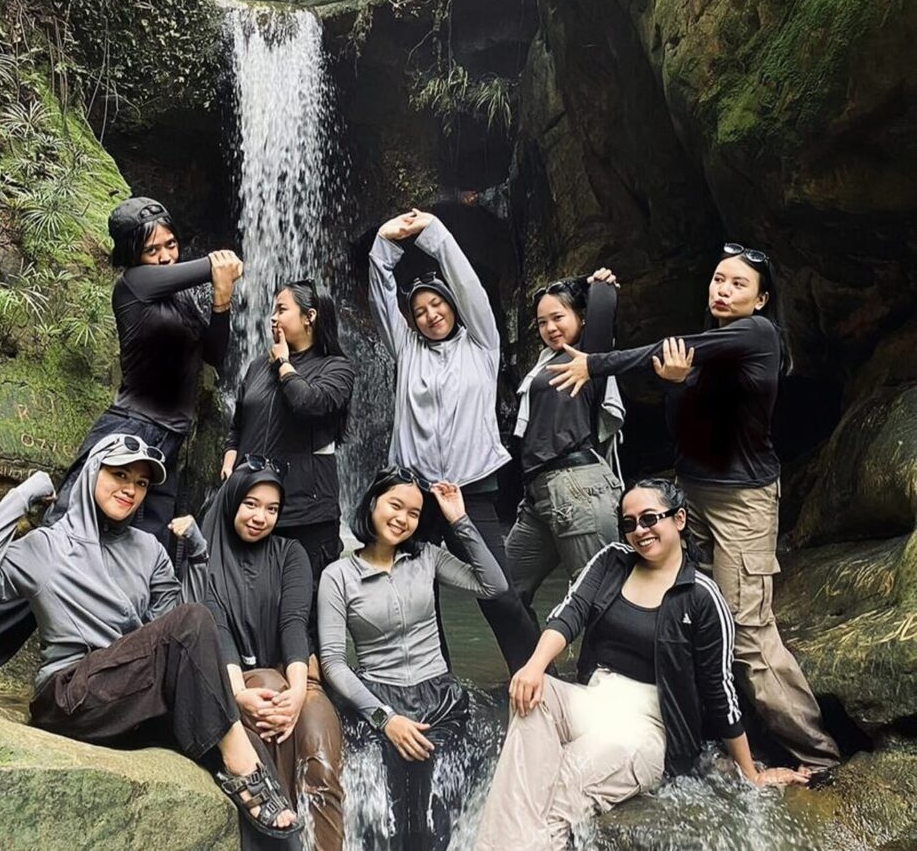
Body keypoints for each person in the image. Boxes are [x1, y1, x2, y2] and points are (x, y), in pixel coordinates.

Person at [0, 195, 243, 705]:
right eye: (152, 249)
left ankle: (127, 690)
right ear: (133, 256)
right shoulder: (133, 286)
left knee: (144, 570)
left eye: (171, 245)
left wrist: (221, 302)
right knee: (53, 557)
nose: (165, 256)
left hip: (165, 454)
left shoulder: (183, 298)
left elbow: (216, 354)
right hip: (125, 437)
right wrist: (218, 264)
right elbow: (197, 268)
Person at [548, 243, 841, 769]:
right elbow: (679, 427)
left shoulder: (758, 334)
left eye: (737, 284)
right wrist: (678, 384)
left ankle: (818, 757)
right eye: (718, 279)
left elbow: (663, 347)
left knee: (746, 633)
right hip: (689, 494)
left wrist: (595, 363)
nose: (722, 290)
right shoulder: (705, 352)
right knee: (684, 615)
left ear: (761, 300)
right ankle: (712, 740)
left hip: (742, 501)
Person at [0, 433, 302, 841]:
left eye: (141, 482)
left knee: (247, 741)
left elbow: (184, 636)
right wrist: (24, 494)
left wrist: (197, 557)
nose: (130, 489)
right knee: (236, 744)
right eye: (120, 474)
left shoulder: (149, 549)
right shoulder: (47, 545)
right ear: (92, 473)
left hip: (133, 697)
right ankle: (244, 766)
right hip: (70, 697)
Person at [476, 478, 810, 851]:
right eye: (629, 523)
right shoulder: (612, 561)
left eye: (650, 518)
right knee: (533, 698)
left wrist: (750, 774)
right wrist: (535, 666)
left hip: (646, 730)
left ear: (679, 519)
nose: (639, 530)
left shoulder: (702, 597)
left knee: (560, 787)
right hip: (593, 701)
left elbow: (720, 690)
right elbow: (570, 613)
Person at [368, 208, 538, 671]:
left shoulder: (482, 344)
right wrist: (384, 243)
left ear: (452, 304)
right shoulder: (406, 349)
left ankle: (538, 680)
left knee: (498, 591)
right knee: (417, 596)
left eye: (437, 305)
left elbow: (469, 286)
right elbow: (381, 296)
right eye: (420, 311)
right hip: (413, 494)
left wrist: (434, 233)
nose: (430, 315)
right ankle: (438, 688)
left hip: (472, 489)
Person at [317, 467, 509, 851]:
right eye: (395, 505)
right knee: (396, 806)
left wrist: (459, 519)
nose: (402, 519)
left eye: (414, 513)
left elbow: (494, 584)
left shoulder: (428, 558)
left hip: (438, 695)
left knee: (433, 804)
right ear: (372, 503)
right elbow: (333, 662)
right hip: (378, 696)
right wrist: (384, 719)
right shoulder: (337, 575)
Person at [188, 460, 344, 851]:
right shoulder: (204, 558)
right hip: (233, 679)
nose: (261, 517)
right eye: (251, 504)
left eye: (272, 509)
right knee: (269, 699)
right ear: (232, 502)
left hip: (294, 675)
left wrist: (298, 693)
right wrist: (238, 694)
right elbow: (217, 628)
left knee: (321, 759)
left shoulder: (291, 553)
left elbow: (294, 623)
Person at [221, 279, 355, 625]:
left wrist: (284, 365)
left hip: (306, 513)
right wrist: (231, 454)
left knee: (304, 610)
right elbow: (239, 422)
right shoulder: (257, 367)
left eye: (281, 309)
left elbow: (309, 403)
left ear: (310, 317)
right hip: (256, 508)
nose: (272, 318)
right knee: (251, 605)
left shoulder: (336, 367)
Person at [506, 269, 623, 614]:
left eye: (558, 317)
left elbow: (604, 295)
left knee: (599, 597)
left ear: (582, 318)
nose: (550, 328)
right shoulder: (544, 363)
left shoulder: (589, 355)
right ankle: (535, 653)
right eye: (542, 322)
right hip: (540, 492)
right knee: (505, 594)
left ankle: (607, 657)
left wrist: (587, 281)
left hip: (579, 486)